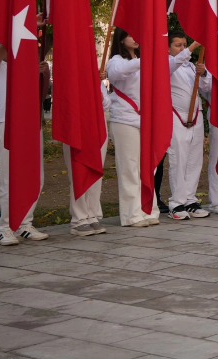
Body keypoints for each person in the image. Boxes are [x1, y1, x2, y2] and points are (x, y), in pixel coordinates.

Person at [0, 45, 48, 244]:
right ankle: (5, 228)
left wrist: (41, 74)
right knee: (8, 179)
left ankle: (24, 224)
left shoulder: (29, 66)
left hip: (31, 123)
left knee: (35, 177)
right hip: (8, 123)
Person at [106, 29, 159, 227]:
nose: (136, 38)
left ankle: (147, 209)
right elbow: (116, 73)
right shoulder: (116, 60)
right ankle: (130, 214)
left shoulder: (142, 60)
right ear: (121, 39)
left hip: (145, 119)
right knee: (129, 167)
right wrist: (145, 60)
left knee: (147, 167)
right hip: (124, 119)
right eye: (131, 34)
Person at [164, 34, 211, 221]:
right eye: (178, 45)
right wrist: (192, 47)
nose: (182, 48)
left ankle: (190, 199)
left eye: (184, 44)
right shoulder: (168, 63)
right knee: (179, 159)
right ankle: (176, 202)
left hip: (196, 116)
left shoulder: (191, 66)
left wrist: (204, 73)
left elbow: (206, 88)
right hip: (177, 117)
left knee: (194, 159)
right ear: (168, 48)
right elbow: (172, 65)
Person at [66, 76, 108, 238]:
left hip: (96, 122)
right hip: (77, 121)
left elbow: (106, 103)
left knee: (95, 169)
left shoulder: (95, 78)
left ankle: (92, 213)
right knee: (78, 169)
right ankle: (79, 218)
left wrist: (97, 89)